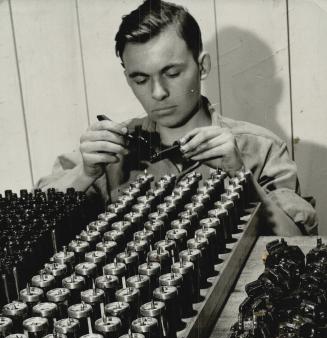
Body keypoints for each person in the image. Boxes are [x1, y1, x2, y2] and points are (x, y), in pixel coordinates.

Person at [36, 0, 318, 235]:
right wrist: (84, 174)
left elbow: (297, 245)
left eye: (172, 73)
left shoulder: (261, 149)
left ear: (202, 66)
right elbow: (32, 227)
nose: (157, 92)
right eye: (140, 79)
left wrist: (240, 176)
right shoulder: (109, 153)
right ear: (127, 79)